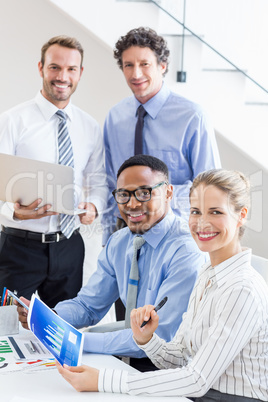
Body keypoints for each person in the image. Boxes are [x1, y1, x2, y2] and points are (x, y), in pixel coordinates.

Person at [56, 169, 268, 401]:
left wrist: (103, 380)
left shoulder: (241, 289)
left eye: (215, 212)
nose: (202, 223)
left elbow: (196, 379)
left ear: (241, 215)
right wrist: (147, 338)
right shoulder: (208, 275)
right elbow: (179, 358)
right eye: (196, 212)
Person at [17, 155, 205, 372]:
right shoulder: (120, 241)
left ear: (168, 192)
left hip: (175, 369)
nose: (132, 204)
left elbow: (158, 336)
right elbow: (89, 306)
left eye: (144, 193)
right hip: (128, 361)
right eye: (124, 195)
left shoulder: (187, 249)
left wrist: (76, 341)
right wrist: (49, 318)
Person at [0, 35, 107, 308]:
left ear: (80, 73)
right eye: (55, 67)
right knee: (5, 328)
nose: (63, 76)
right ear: (41, 68)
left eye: (71, 69)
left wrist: (93, 205)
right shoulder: (12, 121)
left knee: (60, 330)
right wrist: (12, 210)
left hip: (69, 247)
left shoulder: (89, 127)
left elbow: (97, 181)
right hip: (19, 248)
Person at [102, 26, 221, 244]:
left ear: (162, 66)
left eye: (144, 64)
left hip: (175, 232)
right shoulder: (115, 117)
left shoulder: (192, 116)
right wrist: (108, 237)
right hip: (125, 232)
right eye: (129, 65)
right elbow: (110, 180)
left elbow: (209, 185)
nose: (136, 74)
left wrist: (157, 200)